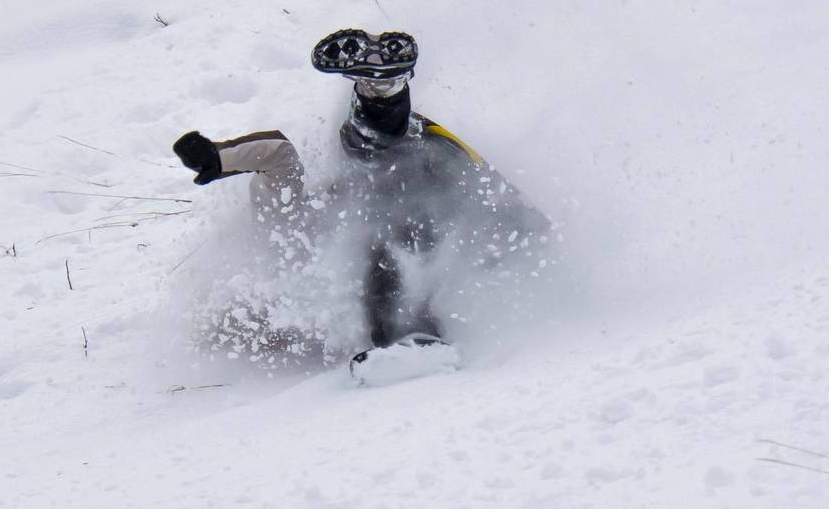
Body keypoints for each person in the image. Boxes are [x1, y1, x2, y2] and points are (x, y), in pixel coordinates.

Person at [173, 29, 550, 368]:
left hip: (370, 203)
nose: (267, 335)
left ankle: (380, 93)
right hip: (394, 199)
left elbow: (277, 154)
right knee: (397, 209)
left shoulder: (280, 244)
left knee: (393, 210)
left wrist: (217, 158)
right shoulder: (295, 307)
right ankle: (384, 93)